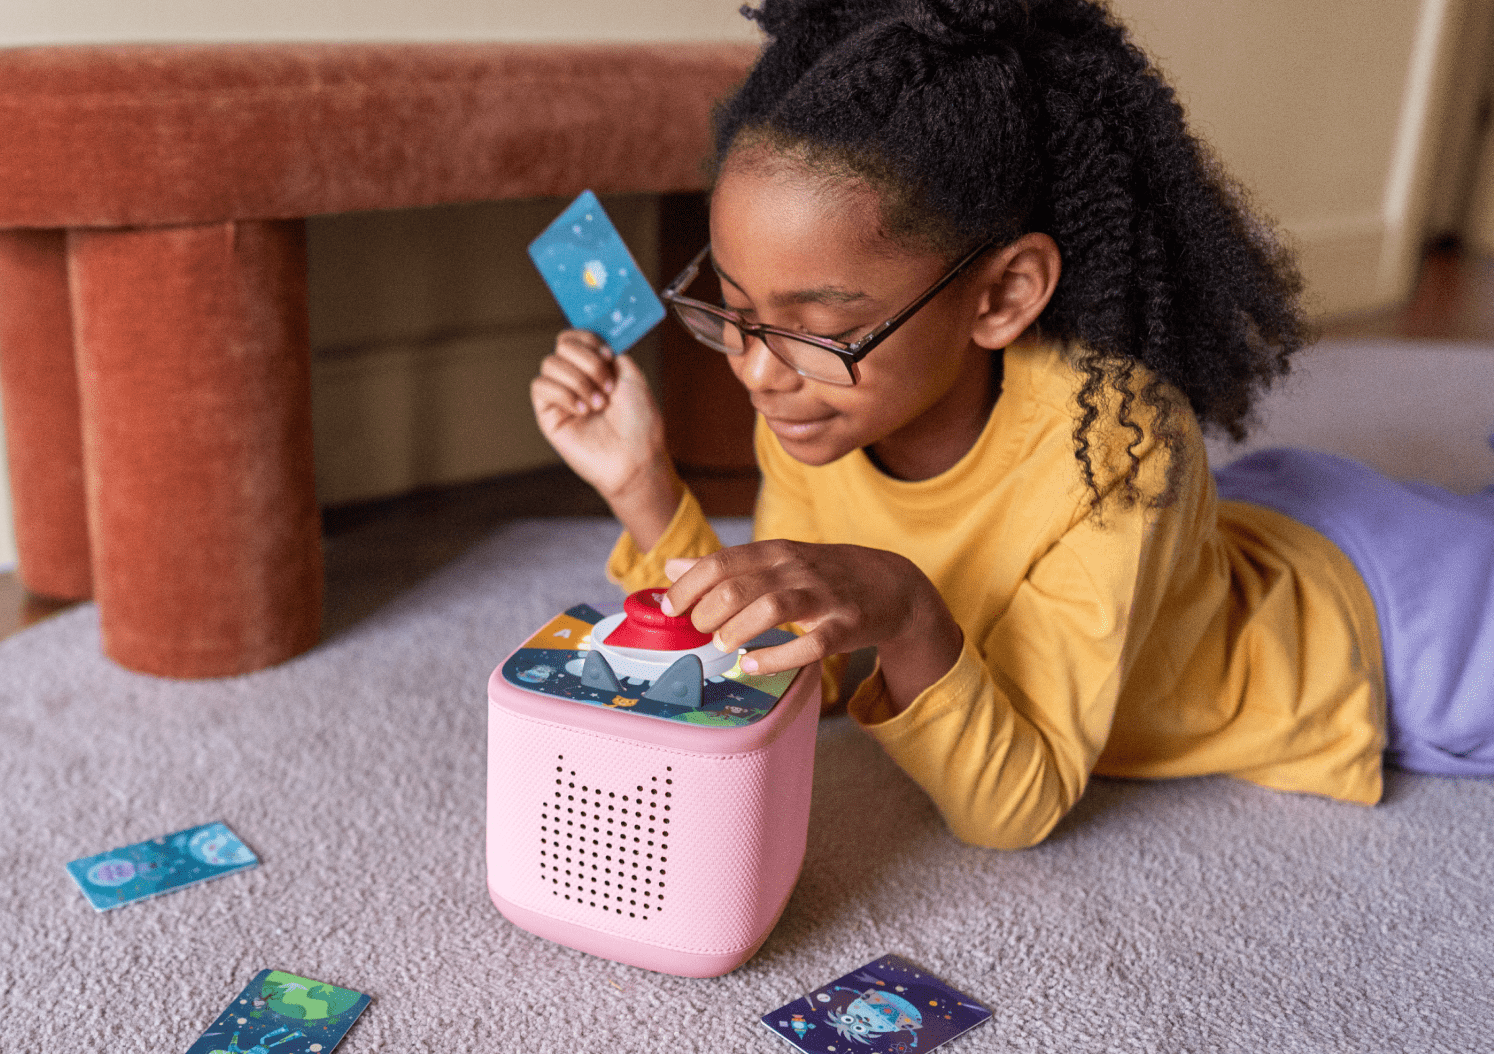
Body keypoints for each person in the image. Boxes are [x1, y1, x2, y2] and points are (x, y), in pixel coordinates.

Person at [528, 0, 1494, 849]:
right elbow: (804, 673)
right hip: (1233, 537)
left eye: (818, 329)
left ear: (1003, 295)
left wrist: (905, 607)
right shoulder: (815, 392)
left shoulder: (1118, 444)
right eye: (735, 310)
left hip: (1383, 636)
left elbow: (1014, 806)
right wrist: (645, 489)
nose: (753, 370)